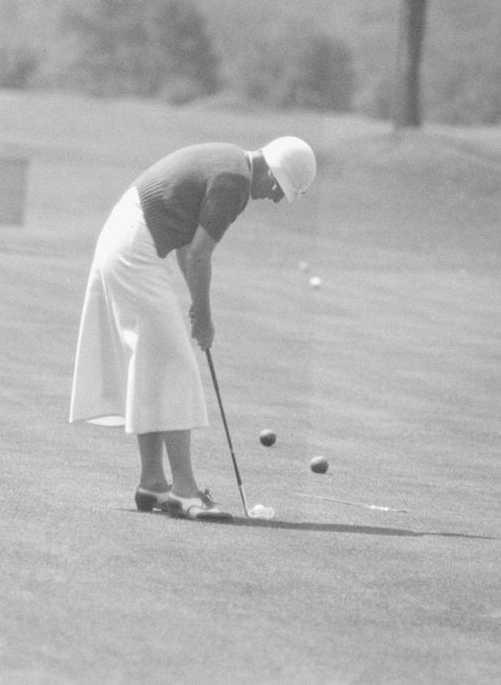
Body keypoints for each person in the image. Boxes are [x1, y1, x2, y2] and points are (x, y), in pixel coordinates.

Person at [69, 137, 316, 520]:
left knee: (154, 366)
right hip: (134, 251)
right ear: (272, 172)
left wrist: (198, 309)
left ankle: (152, 482)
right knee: (177, 367)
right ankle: (185, 492)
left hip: (124, 243)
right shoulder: (233, 182)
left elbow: (187, 249)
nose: (277, 199)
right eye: (280, 190)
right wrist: (204, 316)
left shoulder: (230, 163)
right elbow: (200, 255)